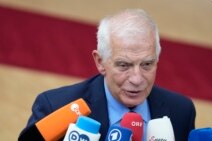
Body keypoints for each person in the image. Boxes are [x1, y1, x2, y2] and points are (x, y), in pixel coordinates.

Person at [19, 9, 196, 141]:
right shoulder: (56, 107)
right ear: (100, 62)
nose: (137, 79)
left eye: (147, 64)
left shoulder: (181, 111)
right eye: (124, 65)